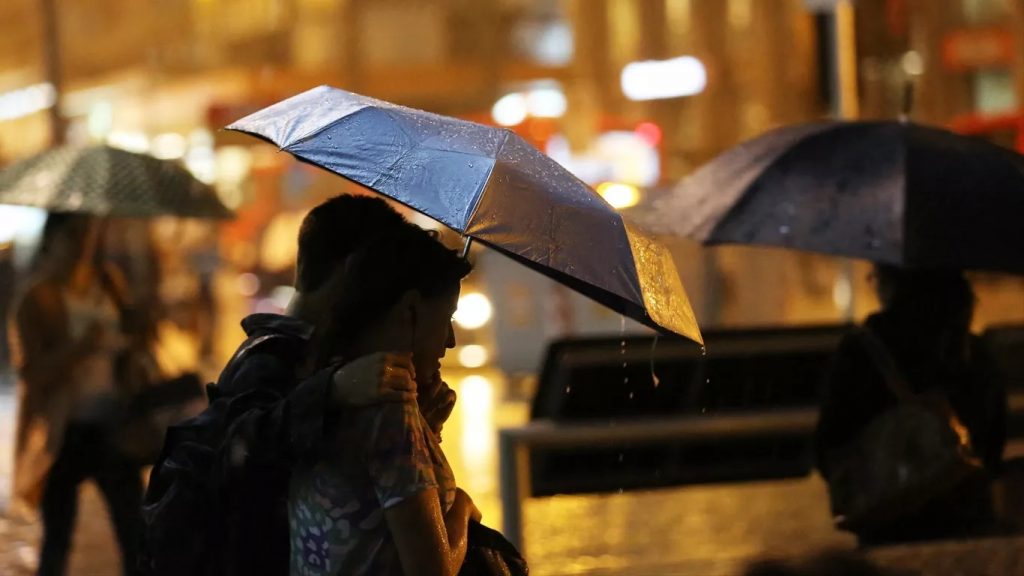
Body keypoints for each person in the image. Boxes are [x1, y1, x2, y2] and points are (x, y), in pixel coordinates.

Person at [143, 194, 422, 576]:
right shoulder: (272, 360)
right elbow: (241, 446)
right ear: (352, 270)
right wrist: (331, 392)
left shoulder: (309, 354)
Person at [288, 211, 477, 575]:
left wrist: (428, 431)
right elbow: (432, 570)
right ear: (408, 310)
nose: (450, 341)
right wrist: (463, 511)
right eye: (447, 318)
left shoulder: (328, 380)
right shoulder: (388, 407)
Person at [815, 264, 1007, 545]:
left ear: (893, 283)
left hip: (889, 527)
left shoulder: (860, 354)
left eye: (875, 277)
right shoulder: (975, 356)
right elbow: (993, 451)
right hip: (968, 528)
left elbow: (829, 449)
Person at [9, 214, 146, 576]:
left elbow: (135, 344)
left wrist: (138, 327)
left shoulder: (110, 284)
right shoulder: (36, 299)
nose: (82, 244)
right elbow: (32, 372)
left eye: (88, 234)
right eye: (72, 235)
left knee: (135, 532)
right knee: (57, 537)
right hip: (65, 430)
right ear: (51, 240)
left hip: (114, 425)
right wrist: (81, 347)